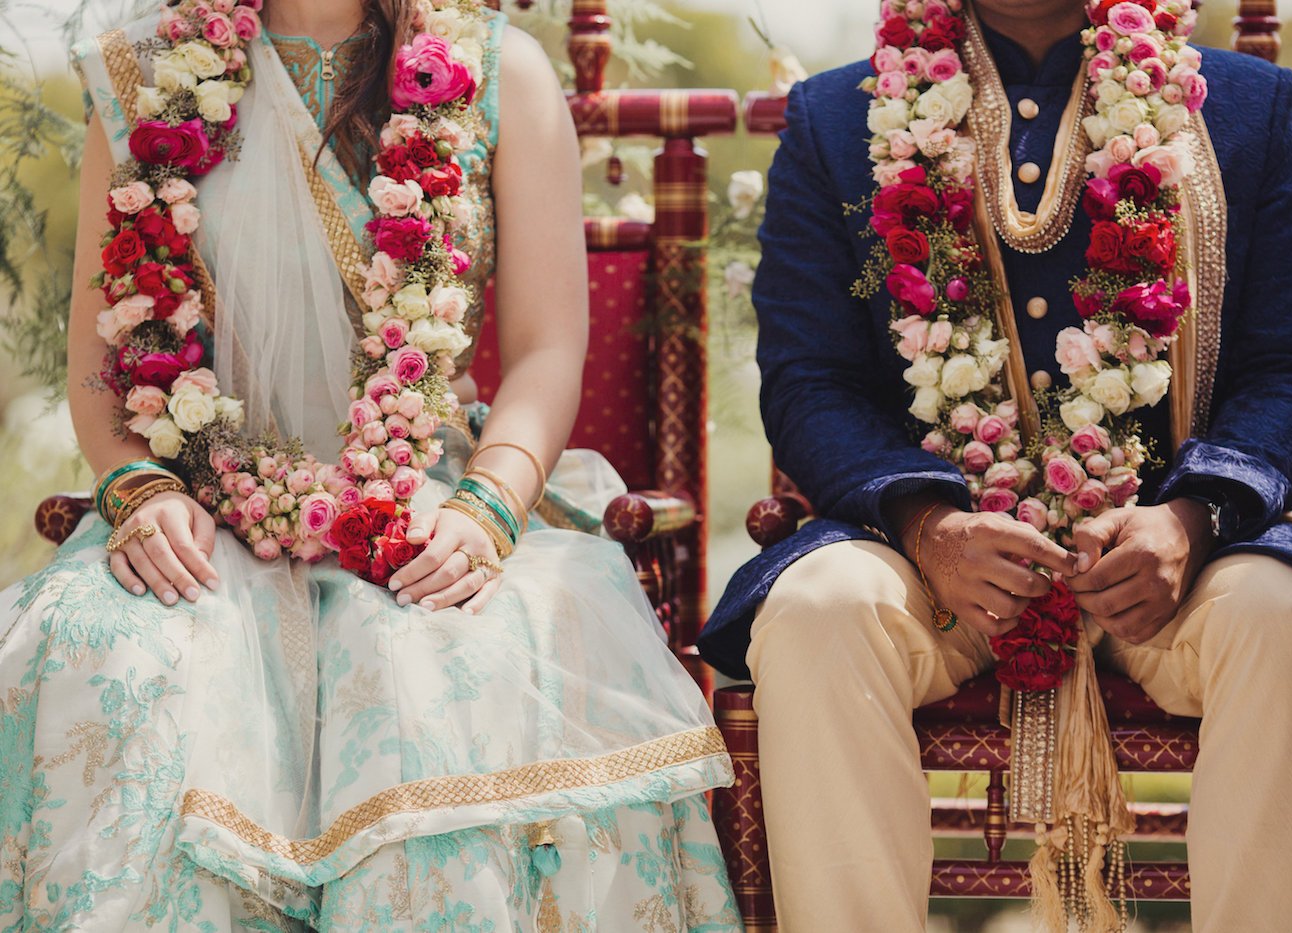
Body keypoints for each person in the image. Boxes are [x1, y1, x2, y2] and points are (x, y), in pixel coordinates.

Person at [0, 0, 738, 928]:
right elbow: (96, 366)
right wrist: (140, 490)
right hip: (201, 504)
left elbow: (549, 348)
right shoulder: (143, 77)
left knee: (432, 660)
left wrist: (486, 508)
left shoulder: (498, 72)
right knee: (95, 645)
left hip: (426, 494)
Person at [698, 0, 1292, 929]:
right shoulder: (840, 117)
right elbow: (810, 383)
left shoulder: (1244, 107)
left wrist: (1193, 518)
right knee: (819, 611)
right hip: (931, 564)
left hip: (1180, 561)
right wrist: (930, 529)